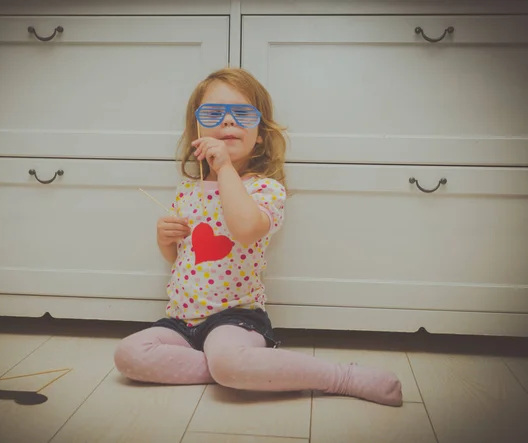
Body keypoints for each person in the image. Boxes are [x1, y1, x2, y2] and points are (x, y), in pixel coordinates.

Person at [114, 67, 402, 407]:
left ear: (260, 134)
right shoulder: (186, 191)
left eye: (242, 114)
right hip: (181, 319)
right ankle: (232, 370)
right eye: (213, 113)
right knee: (128, 354)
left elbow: (246, 229)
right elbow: (185, 259)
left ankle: (340, 376)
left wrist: (223, 169)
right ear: (196, 129)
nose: (227, 122)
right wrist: (165, 241)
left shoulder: (264, 188)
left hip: (235, 317)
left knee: (229, 357)